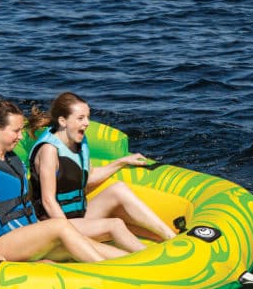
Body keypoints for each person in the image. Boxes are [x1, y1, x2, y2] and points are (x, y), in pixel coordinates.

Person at [0, 98, 128, 262]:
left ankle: (134, 264)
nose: (20, 137)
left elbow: (23, 200)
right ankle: (108, 274)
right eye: (15, 131)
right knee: (60, 226)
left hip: (25, 234)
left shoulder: (11, 159)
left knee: (82, 243)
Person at [28, 91, 177, 251]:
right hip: (53, 225)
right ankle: (150, 258)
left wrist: (121, 162)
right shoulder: (49, 150)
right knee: (116, 223)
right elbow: (48, 201)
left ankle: (171, 237)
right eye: (80, 118)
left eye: (87, 117)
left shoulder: (79, 142)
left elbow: (88, 177)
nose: (87, 123)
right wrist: (68, 234)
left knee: (118, 189)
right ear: (63, 121)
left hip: (79, 215)